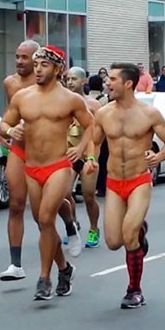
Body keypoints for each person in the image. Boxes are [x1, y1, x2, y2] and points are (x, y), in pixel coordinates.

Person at [2, 46, 94, 300]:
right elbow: (4, 123)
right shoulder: (23, 97)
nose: (38, 68)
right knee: (42, 223)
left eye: (44, 64)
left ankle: (44, 278)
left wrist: (83, 150)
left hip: (58, 165)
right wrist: (10, 132)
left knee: (45, 218)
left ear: (57, 69)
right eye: (37, 64)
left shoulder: (70, 99)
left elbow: (91, 125)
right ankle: (64, 268)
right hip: (32, 167)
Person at [87, 62, 165, 309]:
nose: (107, 82)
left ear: (128, 84)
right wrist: (92, 160)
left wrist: (158, 158)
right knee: (114, 242)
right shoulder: (104, 113)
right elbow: (94, 141)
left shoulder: (148, 114)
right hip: (114, 181)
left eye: (113, 79)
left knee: (128, 236)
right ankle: (139, 231)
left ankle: (134, 290)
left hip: (139, 180)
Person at [0, 40, 40, 282]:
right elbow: (9, 112)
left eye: (25, 57)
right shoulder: (10, 82)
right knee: (15, 204)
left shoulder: (45, 82)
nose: (20, 61)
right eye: (17, 56)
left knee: (45, 211)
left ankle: (69, 224)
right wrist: (4, 130)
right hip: (20, 146)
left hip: (47, 151)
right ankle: (16, 264)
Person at [64, 66, 102, 249]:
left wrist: (92, 158)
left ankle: (94, 228)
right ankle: (73, 224)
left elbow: (97, 135)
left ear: (84, 81)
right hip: (68, 155)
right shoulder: (62, 102)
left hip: (88, 157)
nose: (70, 82)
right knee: (64, 194)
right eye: (67, 79)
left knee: (88, 196)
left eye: (74, 79)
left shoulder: (94, 105)